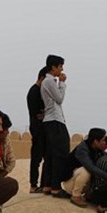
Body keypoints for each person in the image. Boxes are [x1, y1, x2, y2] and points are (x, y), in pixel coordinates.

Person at [41, 54, 70, 196]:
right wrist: (62, 83)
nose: (62, 69)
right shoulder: (49, 81)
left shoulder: (48, 81)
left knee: (51, 154)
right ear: (53, 67)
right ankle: (55, 187)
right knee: (60, 153)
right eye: (60, 66)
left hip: (52, 120)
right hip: (54, 120)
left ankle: (48, 185)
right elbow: (59, 99)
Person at [60, 127, 107, 208]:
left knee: (100, 170)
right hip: (69, 184)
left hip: (81, 185)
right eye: (103, 140)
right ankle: (75, 196)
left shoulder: (98, 150)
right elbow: (90, 166)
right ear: (95, 141)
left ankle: (88, 195)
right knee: (87, 170)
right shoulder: (82, 149)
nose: (105, 143)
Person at [26, 67, 48, 193]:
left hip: (41, 128)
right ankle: (34, 185)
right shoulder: (34, 91)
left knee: (45, 157)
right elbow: (38, 114)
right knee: (36, 158)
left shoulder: (38, 91)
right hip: (38, 129)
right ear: (42, 78)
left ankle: (43, 184)